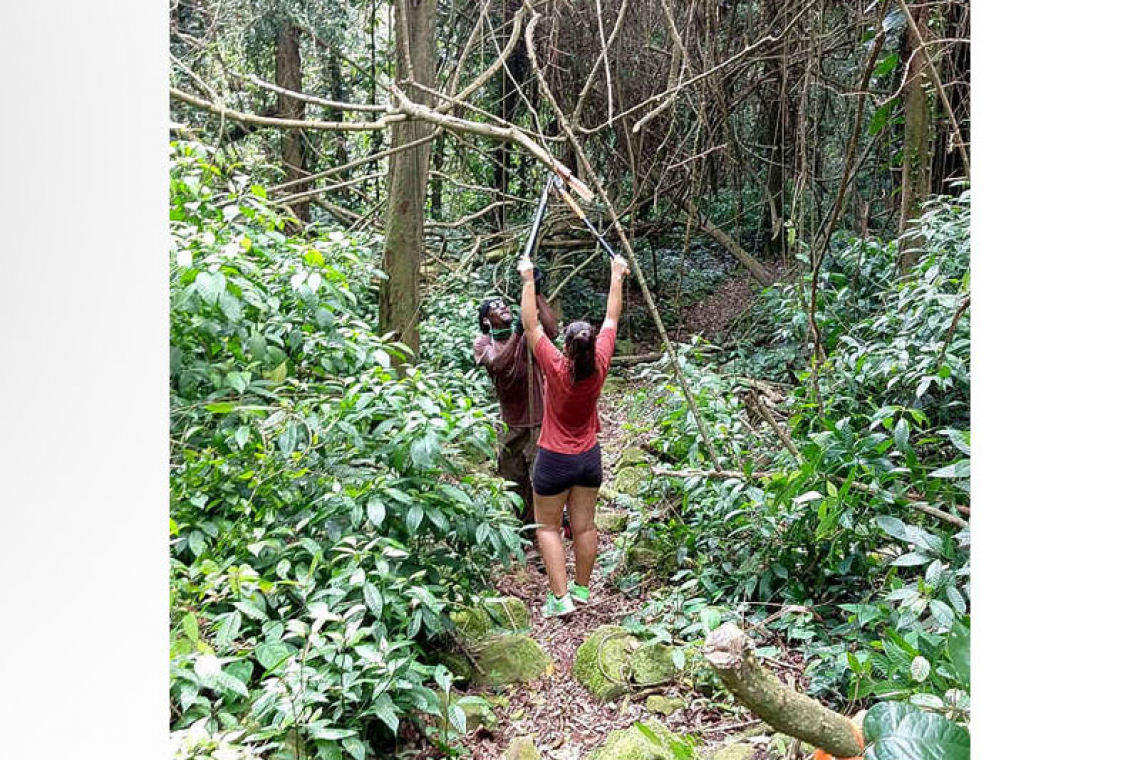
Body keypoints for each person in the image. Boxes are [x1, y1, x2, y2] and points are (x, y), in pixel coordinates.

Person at [517, 251, 630, 617]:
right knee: (585, 527)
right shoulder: (599, 364)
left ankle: (560, 598)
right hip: (588, 459)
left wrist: (528, 280)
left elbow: (531, 326)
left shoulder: (556, 365)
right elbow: (612, 316)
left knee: (547, 527)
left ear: (566, 345)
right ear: (591, 344)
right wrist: (617, 274)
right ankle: (581, 590)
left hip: (553, 458)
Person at [473, 271, 558, 528]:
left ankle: (548, 528)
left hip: (538, 421)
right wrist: (519, 334)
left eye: (503, 303)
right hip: (511, 424)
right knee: (513, 480)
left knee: (540, 478)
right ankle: (525, 530)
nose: (502, 307)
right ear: (487, 321)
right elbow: (498, 364)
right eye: (494, 307)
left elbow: (552, 330)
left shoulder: (528, 334)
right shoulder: (483, 342)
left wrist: (537, 292)